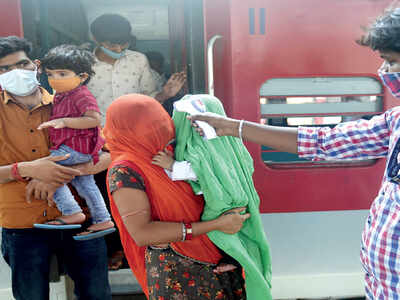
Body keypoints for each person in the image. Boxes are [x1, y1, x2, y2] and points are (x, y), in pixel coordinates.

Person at [190, 7, 400, 299]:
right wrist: (233, 127)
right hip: (383, 286)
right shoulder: (396, 121)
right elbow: (323, 141)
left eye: (391, 62)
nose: (386, 72)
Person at [103, 94, 249, 299]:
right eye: (149, 125)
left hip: (223, 263)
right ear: (126, 130)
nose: (160, 128)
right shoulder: (125, 170)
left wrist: (234, 248)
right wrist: (216, 225)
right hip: (179, 272)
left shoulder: (179, 152)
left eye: (161, 121)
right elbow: (143, 233)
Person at [0, 36, 111, 300]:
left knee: (96, 295)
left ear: (36, 65)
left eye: (22, 64)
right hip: (23, 223)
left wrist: (62, 175)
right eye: (4, 69)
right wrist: (26, 169)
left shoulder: (69, 101)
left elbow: (107, 156)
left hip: (82, 222)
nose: (16, 72)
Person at [88, 13, 185, 270]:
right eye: (111, 45)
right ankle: (114, 249)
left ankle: (144, 249)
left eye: (123, 44)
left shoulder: (138, 61)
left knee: (141, 197)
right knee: (104, 198)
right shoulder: (83, 64)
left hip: (134, 143)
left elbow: (149, 97)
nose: (119, 49)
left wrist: (165, 94)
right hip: (98, 143)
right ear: (95, 39)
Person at [35, 44, 115, 240]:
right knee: (86, 184)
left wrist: (64, 122)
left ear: (83, 77)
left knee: (47, 170)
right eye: (50, 74)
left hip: (75, 148)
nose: (55, 79)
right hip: (77, 148)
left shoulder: (81, 94)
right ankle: (103, 219)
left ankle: (71, 211)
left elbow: (94, 119)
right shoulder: (63, 94)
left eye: (62, 74)